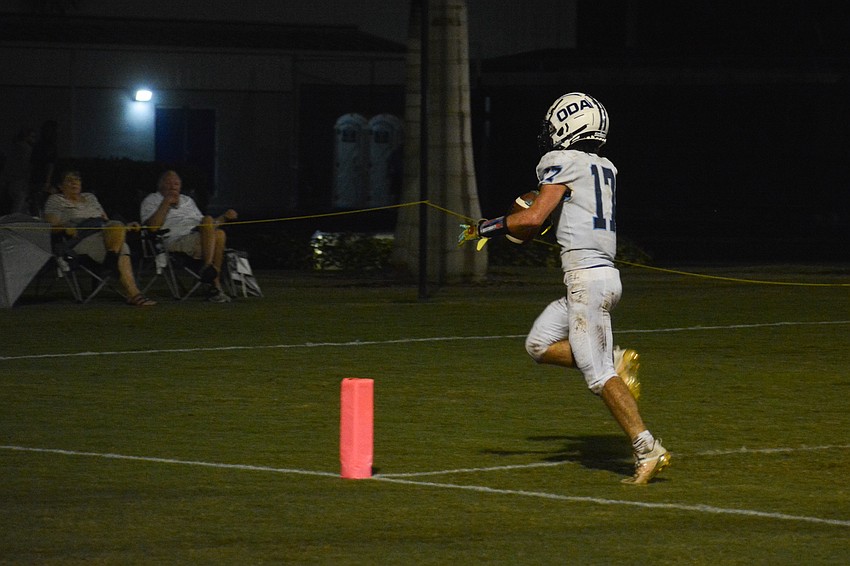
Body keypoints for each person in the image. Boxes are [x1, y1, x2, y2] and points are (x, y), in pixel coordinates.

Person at [458, 92, 669, 484]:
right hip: (596, 278)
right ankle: (615, 359)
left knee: (598, 376)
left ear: (569, 124)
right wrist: (523, 216)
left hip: (587, 281)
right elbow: (545, 215)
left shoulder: (561, 161)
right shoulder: (603, 166)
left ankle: (647, 448)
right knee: (538, 344)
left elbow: (534, 218)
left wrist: (490, 226)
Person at [43, 170, 156, 306]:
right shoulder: (55, 200)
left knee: (116, 224)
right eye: (69, 180)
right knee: (123, 247)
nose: (74, 182)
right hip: (80, 237)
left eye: (77, 179)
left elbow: (106, 221)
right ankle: (133, 292)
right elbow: (50, 227)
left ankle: (112, 260)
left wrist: (127, 226)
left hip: (102, 231)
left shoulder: (90, 197)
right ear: (60, 186)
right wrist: (64, 228)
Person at [140, 170, 237, 303]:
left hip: (197, 236)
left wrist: (224, 218)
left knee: (218, 231)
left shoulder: (187, 200)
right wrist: (166, 203)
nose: (173, 186)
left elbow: (207, 225)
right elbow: (152, 228)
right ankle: (213, 281)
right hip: (174, 240)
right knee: (216, 231)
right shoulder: (151, 200)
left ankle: (210, 276)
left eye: (176, 183)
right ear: (160, 185)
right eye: (169, 183)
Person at [1, 127, 36, 215]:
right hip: (19, 179)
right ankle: (15, 221)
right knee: (20, 200)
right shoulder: (26, 148)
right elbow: (24, 165)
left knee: (20, 201)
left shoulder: (14, 147)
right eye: (32, 137)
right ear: (26, 137)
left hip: (11, 179)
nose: (34, 140)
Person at [30, 120, 59, 214]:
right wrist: (48, 181)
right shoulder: (50, 147)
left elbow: (32, 163)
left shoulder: (37, 146)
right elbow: (50, 164)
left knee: (37, 203)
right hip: (43, 180)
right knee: (46, 203)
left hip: (35, 178)